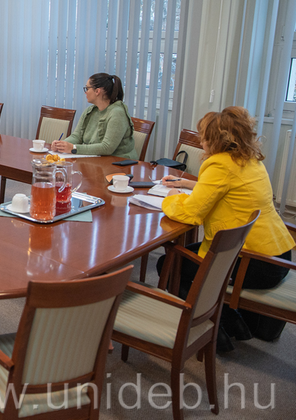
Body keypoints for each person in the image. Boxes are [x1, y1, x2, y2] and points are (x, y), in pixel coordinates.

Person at [157, 106, 294, 350]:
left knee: (170, 263)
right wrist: (187, 183)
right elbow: (227, 188)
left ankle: (222, 326)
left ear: (216, 140)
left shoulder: (219, 165)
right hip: (277, 254)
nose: (201, 141)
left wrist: (171, 198)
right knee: (189, 252)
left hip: (253, 262)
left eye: (204, 137)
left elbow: (192, 214)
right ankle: (234, 323)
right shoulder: (250, 159)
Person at [51, 73, 137, 159]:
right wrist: (61, 145)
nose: (85, 92)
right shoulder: (90, 111)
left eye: (87, 89)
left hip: (118, 162)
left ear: (97, 91)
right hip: (96, 160)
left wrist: (74, 148)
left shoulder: (117, 113)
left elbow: (107, 147)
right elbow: (77, 136)